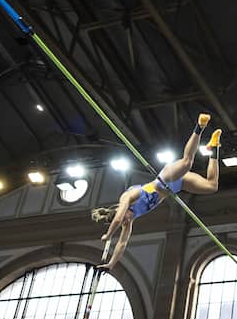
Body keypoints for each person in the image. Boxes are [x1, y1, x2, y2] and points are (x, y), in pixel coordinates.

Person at [91, 114, 221, 270]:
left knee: (187, 162)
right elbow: (122, 243)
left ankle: (200, 126)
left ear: (120, 210)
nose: (128, 221)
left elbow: (118, 219)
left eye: (126, 218)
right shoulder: (129, 221)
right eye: (126, 222)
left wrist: (108, 235)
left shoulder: (127, 198)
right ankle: (213, 148)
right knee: (212, 186)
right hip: (177, 185)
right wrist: (111, 264)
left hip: (165, 178)